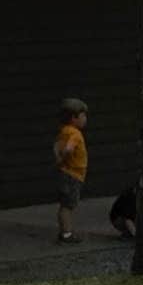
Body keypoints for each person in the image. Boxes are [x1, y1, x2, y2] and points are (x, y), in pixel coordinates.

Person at [51, 96, 90, 243]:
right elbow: (68, 149)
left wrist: (58, 161)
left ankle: (65, 231)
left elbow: (56, 146)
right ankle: (66, 234)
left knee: (64, 204)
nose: (85, 118)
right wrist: (64, 158)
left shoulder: (64, 131)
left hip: (65, 173)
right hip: (72, 175)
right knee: (68, 205)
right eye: (83, 115)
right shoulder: (75, 134)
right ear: (74, 118)